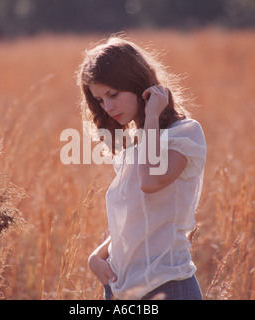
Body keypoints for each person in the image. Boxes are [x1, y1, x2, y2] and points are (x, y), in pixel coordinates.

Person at [77, 35, 206, 300]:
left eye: (113, 94)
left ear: (138, 84)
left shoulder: (184, 134)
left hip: (168, 286)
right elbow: (138, 223)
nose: (108, 106)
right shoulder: (134, 146)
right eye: (100, 100)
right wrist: (96, 257)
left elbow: (149, 182)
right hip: (120, 289)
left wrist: (152, 115)